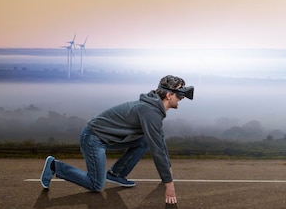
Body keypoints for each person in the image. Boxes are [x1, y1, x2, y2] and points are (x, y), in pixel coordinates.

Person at [40, 75, 194, 205]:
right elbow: (157, 150)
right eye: (179, 95)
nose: (181, 98)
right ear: (168, 95)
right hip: (94, 138)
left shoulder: (153, 108)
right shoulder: (150, 112)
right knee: (96, 185)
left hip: (107, 137)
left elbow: (159, 140)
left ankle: (116, 173)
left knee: (145, 141)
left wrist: (168, 168)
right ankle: (54, 166)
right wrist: (169, 185)